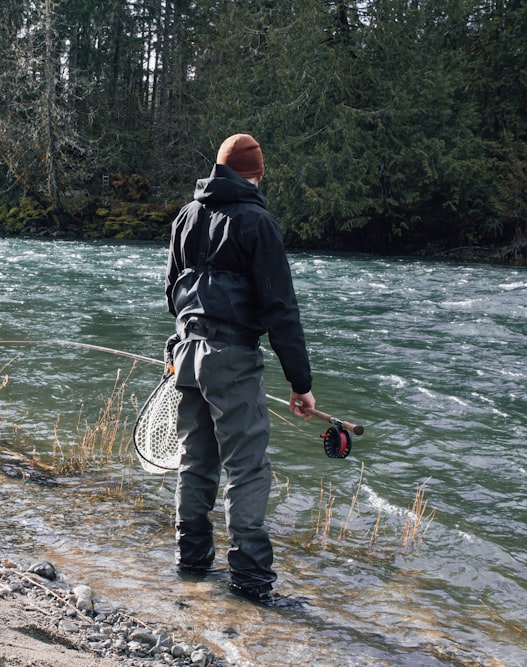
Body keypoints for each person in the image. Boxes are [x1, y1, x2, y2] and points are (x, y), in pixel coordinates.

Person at [164, 133, 316, 607]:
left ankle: (191, 564)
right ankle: (250, 581)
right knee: (247, 470)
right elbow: (281, 310)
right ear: (256, 174)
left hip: (185, 354)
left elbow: (172, 291)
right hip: (232, 358)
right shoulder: (257, 221)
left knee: (195, 462)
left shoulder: (186, 216)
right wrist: (301, 384)